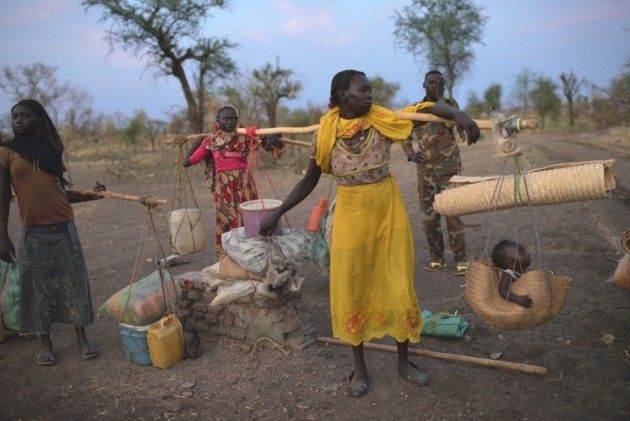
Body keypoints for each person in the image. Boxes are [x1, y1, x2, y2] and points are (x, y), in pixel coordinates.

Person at [259, 70, 479, 398]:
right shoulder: (326, 133)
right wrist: (277, 212)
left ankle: (404, 363)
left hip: (387, 213)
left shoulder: (383, 120)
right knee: (352, 285)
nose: (370, 95)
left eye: (370, 89)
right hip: (350, 216)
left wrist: (459, 115)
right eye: (363, 90)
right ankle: (359, 368)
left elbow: (427, 109)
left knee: (398, 283)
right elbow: (309, 180)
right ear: (342, 95)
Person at [0, 99, 104, 366]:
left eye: (24, 115)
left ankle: (82, 338)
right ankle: (45, 343)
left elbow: (61, 191)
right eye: (15, 117)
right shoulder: (6, 152)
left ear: (39, 118)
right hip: (33, 231)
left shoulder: (51, 150)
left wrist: (93, 195)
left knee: (74, 283)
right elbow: (2, 196)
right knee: (37, 288)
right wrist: (2, 234)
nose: (18, 120)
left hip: (64, 227)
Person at [401, 70, 480, 275]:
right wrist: (411, 154)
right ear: (423, 84)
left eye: (439, 83)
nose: (434, 86)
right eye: (431, 82)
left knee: (453, 214)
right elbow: (404, 135)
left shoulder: (451, 107)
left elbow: (453, 120)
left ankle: (461, 260)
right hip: (425, 171)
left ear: (443, 86)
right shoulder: (415, 111)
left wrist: (443, 104)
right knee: (429, 217)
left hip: (450, 169)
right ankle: (437, 259)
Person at [183, 105, 283, 256]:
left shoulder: (245, 136)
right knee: (226, 220)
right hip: (223, 189)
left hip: (245, 185)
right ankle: (228, 257)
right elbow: (188, 162)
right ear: (218, 121)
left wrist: (271, 137)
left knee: (249, 217)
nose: (230, 121)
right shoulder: (211, 141)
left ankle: (254, 255)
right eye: (226, 118)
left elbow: (271, 141)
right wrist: (199, 141)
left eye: (233, 119)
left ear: (238, 121)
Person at [491, 239, 533, 308]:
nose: (528, 254)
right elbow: (503, 291)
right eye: (521, 253)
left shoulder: (522, 269)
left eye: (525, 251)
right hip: (515, 304)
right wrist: (517, 299)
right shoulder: (508, 273)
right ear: (511, 263)